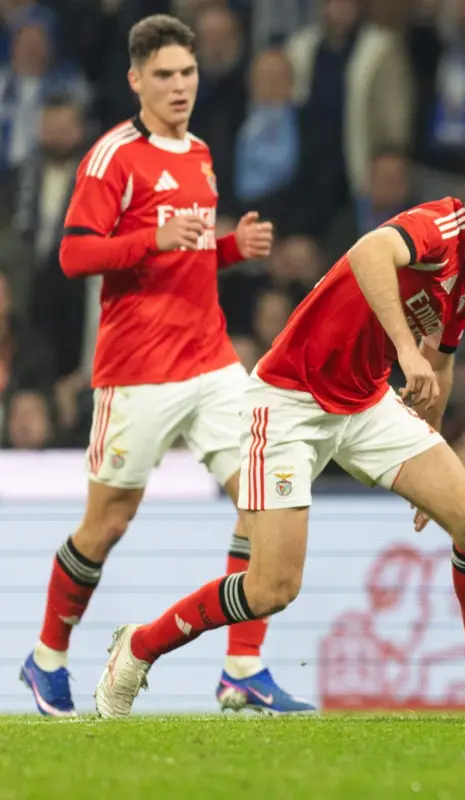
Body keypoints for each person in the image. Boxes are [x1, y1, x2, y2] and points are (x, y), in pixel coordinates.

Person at [94, 150, 465, 719]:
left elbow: (439, 364)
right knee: (272, 588)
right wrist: (401, 347)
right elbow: (369, 250)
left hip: (366, 401)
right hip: (289, 398)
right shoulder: (439, 226)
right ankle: (139, 647)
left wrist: (433, 446)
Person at [19, 15, 313, 717]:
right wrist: (151, 237)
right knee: (107, 525)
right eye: (164, 75)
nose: (179, 86)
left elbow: (189, 251)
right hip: (136, 371)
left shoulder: (202, 153)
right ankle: (47, 656)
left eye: (187, 73)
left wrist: (231, 247)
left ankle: (243, 666)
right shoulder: (111, 157)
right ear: (135, 80)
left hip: (211, 361)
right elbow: (74, 254)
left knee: (264, 495)